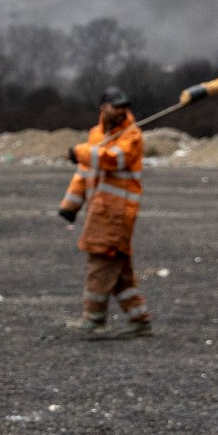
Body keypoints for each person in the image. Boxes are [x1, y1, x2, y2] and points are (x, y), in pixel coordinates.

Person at [58, 86, 151, 339]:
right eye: (116, 106)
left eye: (125, 106)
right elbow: (85, 172)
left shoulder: (132, 136)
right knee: (119, 270)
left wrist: (80, 153)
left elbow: (113, 159)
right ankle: (139, 319)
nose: (122, 111)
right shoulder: (96, 135)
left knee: (100, 261)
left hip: (118, 213)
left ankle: (94, 317)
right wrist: (70, 204)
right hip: (99, 211)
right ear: (103, 108)